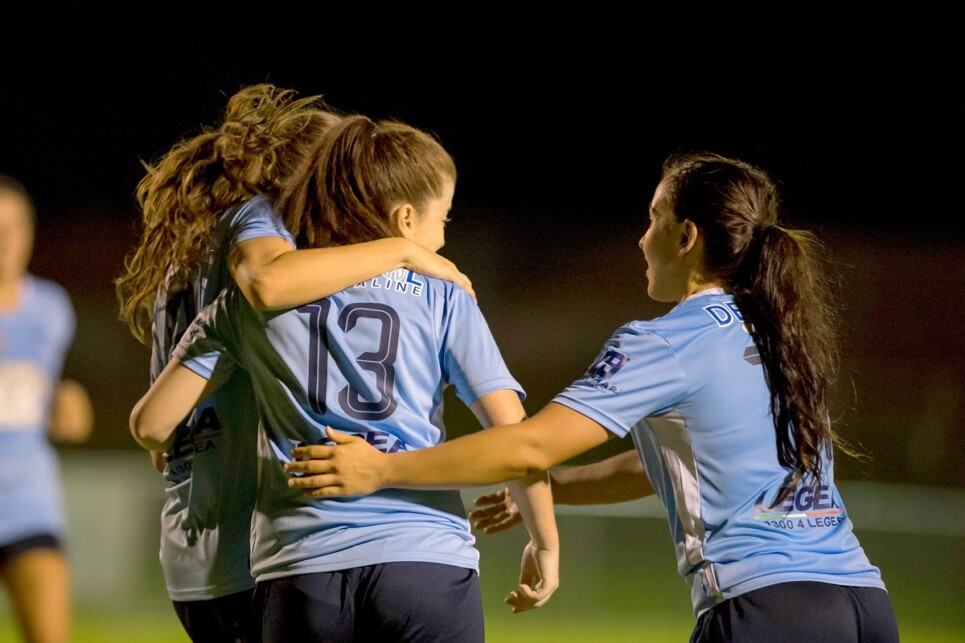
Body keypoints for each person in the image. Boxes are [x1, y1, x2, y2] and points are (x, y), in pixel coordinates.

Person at [285, 151, 901, 642]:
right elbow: (679, 463)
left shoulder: (668, 340)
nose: (640, 240)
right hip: (864, 604)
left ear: (685, 236)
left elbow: (529, 444)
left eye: (653, 219)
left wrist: (381, 468)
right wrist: (562, 488)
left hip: (769, 609)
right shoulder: (779, 335)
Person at [129, 114, 559, 642]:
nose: (444, 235)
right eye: (443, 218)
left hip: (300, 568)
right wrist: (546, 542)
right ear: (404, 219)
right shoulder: (445, 293)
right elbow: (515, 437)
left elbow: (152, 427)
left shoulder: (244, 303)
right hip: (423, 559)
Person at [0, 174, 94, 643]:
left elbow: (54, 399)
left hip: (26, 501)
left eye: (13, 227)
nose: (4, 240)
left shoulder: (52, 308)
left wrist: (67, 404)